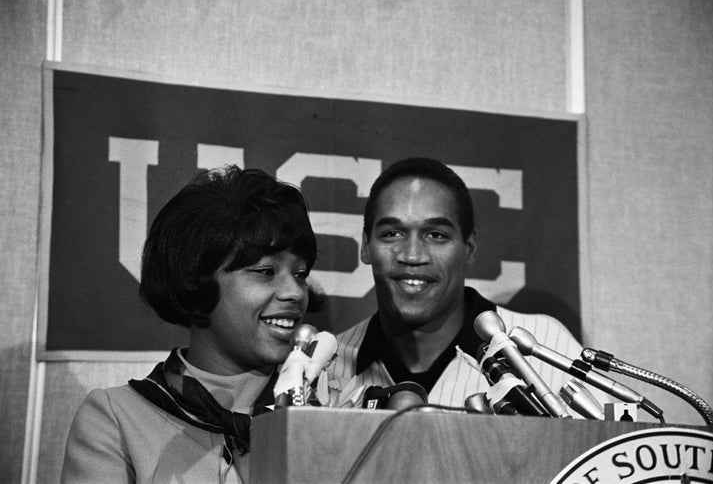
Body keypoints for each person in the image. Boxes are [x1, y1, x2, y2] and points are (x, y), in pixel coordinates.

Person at [62, 165, 321, 483]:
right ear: (196, 280)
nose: (295, 292)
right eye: (266, 271)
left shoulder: (331, 406)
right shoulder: (116, 418)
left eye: (301, 273)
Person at [322, 157, 603, 413]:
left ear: (469, 247)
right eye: (392, 233)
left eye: (435, 235)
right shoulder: (327, 365)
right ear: (366, 246)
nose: (412, 255)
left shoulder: (544, 346)